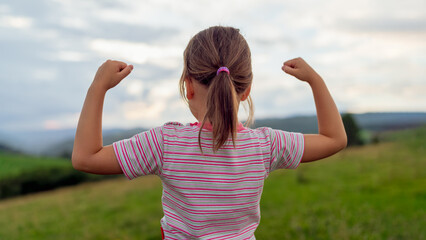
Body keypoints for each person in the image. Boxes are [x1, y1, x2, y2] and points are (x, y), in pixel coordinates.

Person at [72, 26, 347, 239]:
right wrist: (315, 80)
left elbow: (86, 157)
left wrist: (98, 86)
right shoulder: (265, 145)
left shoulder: (165, 144)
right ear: (246, 90)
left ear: (188, 87)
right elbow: (334, 139)